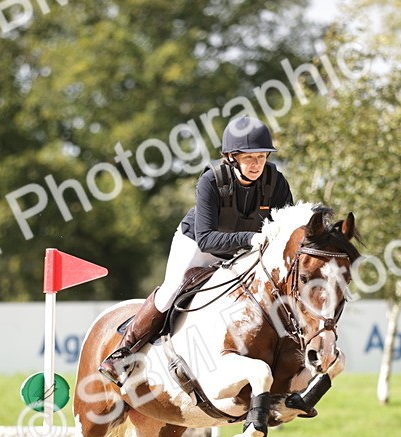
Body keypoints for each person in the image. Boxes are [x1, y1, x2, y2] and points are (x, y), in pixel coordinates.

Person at [98, 115, 295, 385]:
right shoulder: (211, 181)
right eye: (249, 158)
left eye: (261, 157)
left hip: (246, 250)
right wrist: (252, 238)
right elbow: (206, 239)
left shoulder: (277, 183)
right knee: (171, 290)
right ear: (231, 157)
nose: (256, 164)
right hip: (199, 243)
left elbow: (286, 229)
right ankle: (123, 353)